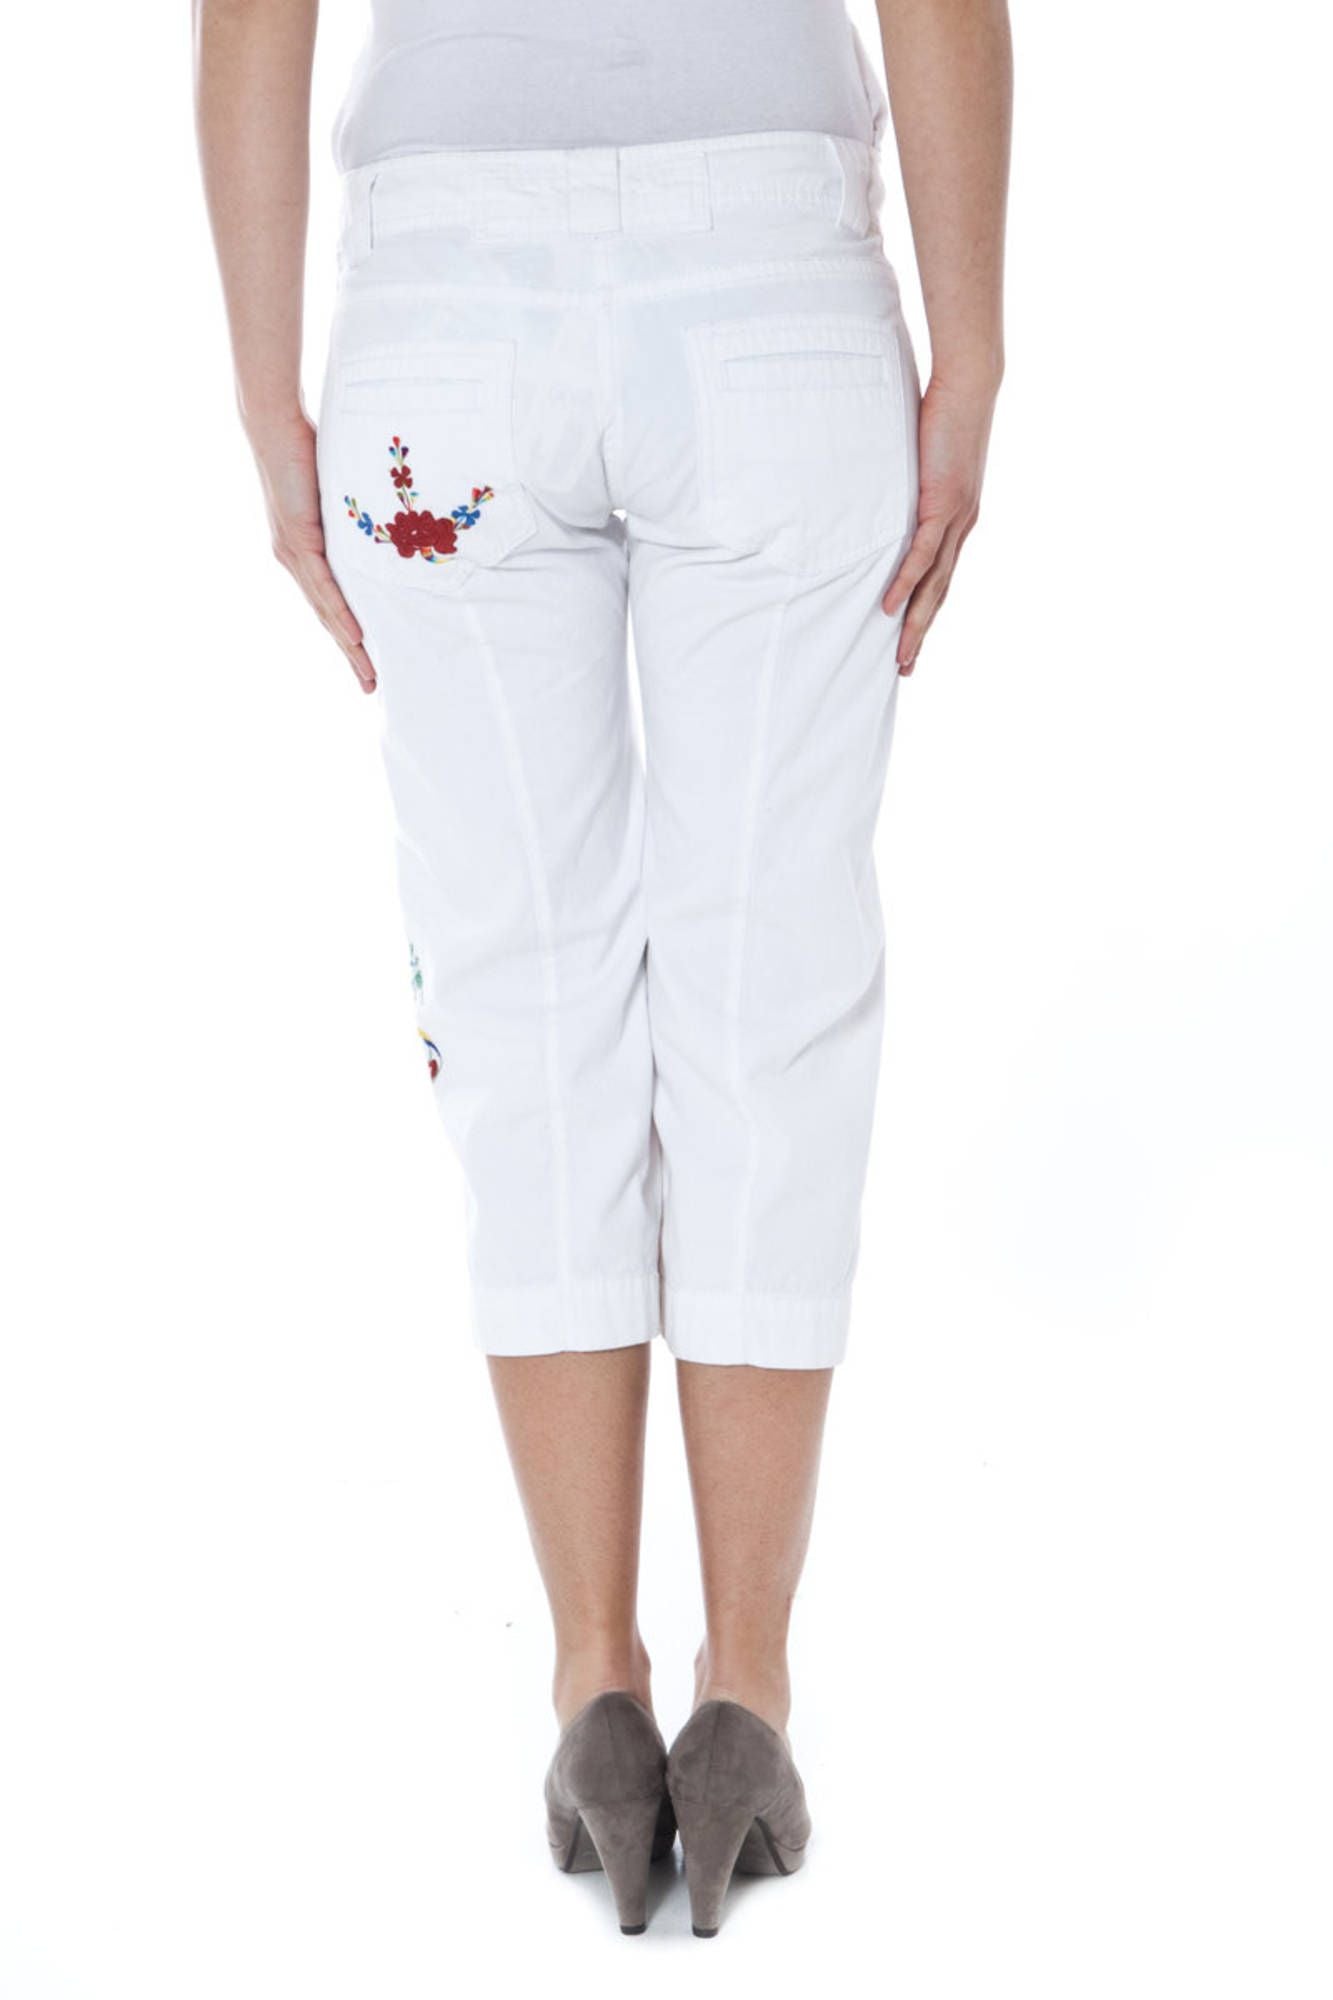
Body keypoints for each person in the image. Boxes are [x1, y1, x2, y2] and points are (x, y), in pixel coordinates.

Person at [194, 0, 1010, 1938]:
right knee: (771, 991)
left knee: (521, 1000)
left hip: (445, 318)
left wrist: (261, 393)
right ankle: (747, 1693)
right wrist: (972, 347)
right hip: (773, 304)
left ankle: (591, 1680)